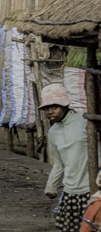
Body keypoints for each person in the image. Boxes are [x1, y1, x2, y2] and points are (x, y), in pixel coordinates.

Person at [41, 84, 92, 232]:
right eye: (46, 108)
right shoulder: (53, 132)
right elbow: (58, 163)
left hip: (91, 188)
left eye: (54, 107)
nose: (50, 111)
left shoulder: (84, 122)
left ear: (65, 106)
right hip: (70, 191)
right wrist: (51, 186)